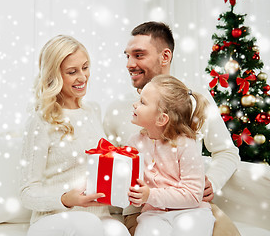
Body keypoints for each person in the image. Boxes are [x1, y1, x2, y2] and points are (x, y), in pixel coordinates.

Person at [103, 22, 241, 236]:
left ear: (165, 56)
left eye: (138, 55)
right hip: (142, 211)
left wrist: (211, 182)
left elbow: (227, 151)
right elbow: (109, 169)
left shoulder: (193, 98)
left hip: (191, 205)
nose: (129, 64)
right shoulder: (119, 110)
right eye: (127, 56)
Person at [20, 35, 130, 236]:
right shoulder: (41, 121)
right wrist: (64, 199)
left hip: (97, 216)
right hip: (52, 220)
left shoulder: (92, 112)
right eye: (72, 72)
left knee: (119, 230)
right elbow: (27, 192)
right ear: (54, 76)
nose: (82, 77)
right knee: (87, 224)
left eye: (85, 67)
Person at [128, 75, 215, 236]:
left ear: (161, 119)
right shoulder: (135, 143)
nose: (134, 105)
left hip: (192, 211)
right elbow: (128, 178)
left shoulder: (185, 144)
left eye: (142, 102)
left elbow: (193, 195)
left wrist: (150, 195)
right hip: (153, 213)